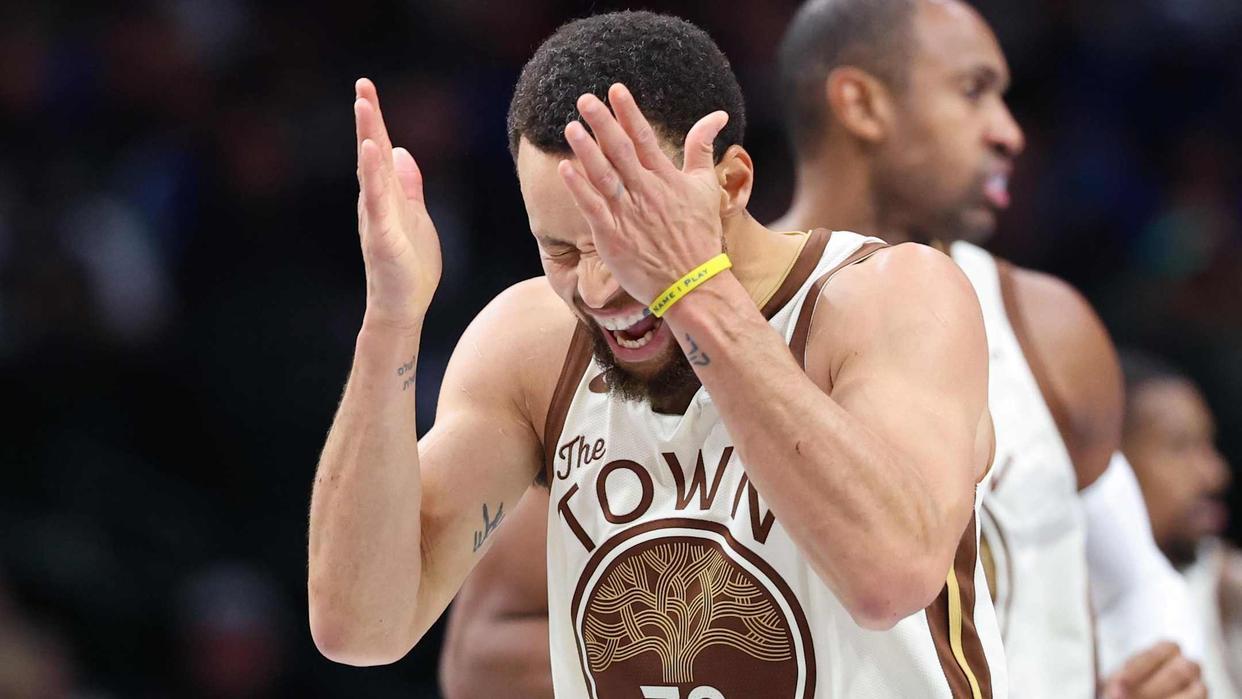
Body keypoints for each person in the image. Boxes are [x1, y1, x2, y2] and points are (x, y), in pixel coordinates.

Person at [440, 1, 1207, 698]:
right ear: (860, 103)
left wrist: (1155, 662)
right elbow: (482, 648)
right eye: (972, 91)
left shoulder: (1045, 326)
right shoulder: (643, 339)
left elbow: (1134, 578)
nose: (1008, 130)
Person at [309, 10, 1006, 698]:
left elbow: (890, 580)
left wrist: (691, 286)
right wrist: (391, 321)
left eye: (627, 239)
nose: (597, 286)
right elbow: (360, 628)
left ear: (730, 185)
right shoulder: (531, 345)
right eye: (562, 250)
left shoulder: (889, 298)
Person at [1122, 351, 1242, 698]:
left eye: (1208, 445)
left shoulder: (1228, 589)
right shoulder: (1057, 603)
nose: (1214, 475)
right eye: (1180, 447)